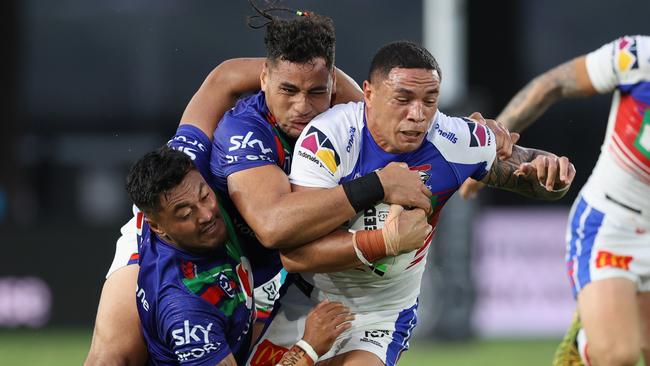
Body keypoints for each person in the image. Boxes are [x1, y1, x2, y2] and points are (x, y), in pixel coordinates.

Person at [85, 8, 436, 366]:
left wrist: (471, 139)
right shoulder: (243, 133)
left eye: (317, 90)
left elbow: (377, 111)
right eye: (287, 88)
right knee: (112, 357)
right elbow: (273, 227)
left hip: (245, 265)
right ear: (265, 78)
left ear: (331, 83)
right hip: (171, 246)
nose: (302, 106)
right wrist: (379, 194)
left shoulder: (339, 120)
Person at [249, 40, 577, 366]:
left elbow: (527, 169)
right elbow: (296, 254)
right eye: (403, 99)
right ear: (370, 94)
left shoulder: (454, 140)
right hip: (307, 303)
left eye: (429, 100)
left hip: (382, 314)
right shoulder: (328, 138)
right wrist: (384, 242)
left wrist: (551, 176)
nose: (418, 115)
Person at [465, 35, 650, 366]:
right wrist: (487, 150)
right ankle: (587, 342)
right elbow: (550, 85)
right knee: (618, 355)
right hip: (612, 224)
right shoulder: (638, 57)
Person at [125, 144, 356, 366]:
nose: (206, 215)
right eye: (186, 213)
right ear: (157, 227)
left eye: (205, 196)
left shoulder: (189, 184)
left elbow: (204, 110)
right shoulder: (186, 310)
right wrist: (308, 348)